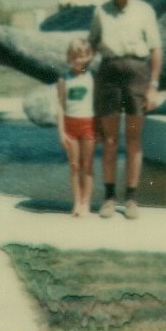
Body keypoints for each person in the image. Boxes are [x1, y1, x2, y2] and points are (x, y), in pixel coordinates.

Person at [87, 0, 162, 219]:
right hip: (108, 74)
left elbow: (155, 50)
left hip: (137, 75)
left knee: (133, 140)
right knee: (109, 140)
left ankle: (130, 199)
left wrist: (153, 86)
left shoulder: (145, 11)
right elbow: (92, 46)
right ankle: (109, 198)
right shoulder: (101, 12)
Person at [56, 38, 100, 218]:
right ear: (69, 58)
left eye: (82, 57)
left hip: (88, 124)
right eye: (74, 57)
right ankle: (76, 202)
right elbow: (60, 106)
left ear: (88, 57)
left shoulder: (92, 78)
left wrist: (99, 129)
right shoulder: (63, 79)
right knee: (74, 165)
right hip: (70, 126)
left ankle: (86, 202)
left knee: (87, 165)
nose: (78, 60)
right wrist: (61, 132)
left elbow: (97, 104)